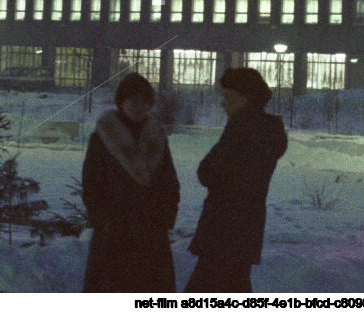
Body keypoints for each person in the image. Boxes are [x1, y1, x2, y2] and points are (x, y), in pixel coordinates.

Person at [185, 67, 288, 292]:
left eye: (227, 95)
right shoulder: (268, 130)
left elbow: (207, 172)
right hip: (246, 229)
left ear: (244, 97)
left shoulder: (242, 128)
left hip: (223, 229)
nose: (223, 103)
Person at [82, 73, 180, 292]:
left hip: (151, 232)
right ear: (121, 102)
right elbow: (92, 183)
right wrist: (104, 220)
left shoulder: (157, 137)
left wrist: (165, 216)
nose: (139, 106)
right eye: (133, 101)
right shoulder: (103, 137)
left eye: (144, 102)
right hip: (115, 232)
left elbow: (169, 182)